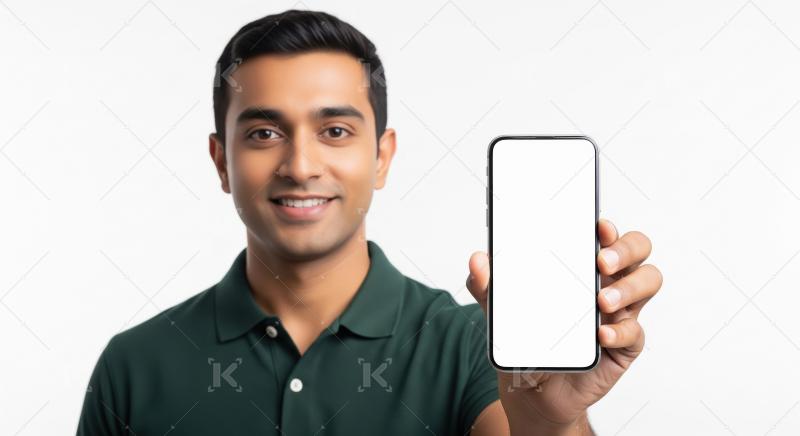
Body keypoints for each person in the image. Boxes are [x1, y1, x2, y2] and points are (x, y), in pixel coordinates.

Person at [77, 9, 662, 435]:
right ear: (221, 161)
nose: (301, 166)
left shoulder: (472, 346)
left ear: (381, 157)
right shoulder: (132, 367)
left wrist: (548, 423)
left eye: (335, 131)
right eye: (263, 133)